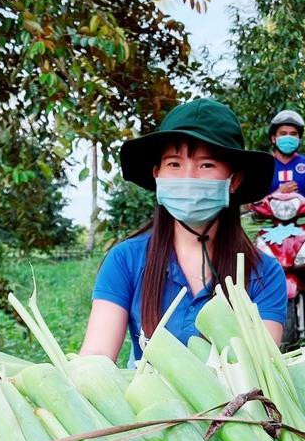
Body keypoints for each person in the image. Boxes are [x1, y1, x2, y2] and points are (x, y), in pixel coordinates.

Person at [81, 98, 287, 363]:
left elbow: (262, 368)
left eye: (206, 165)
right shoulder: (125, 260)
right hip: (143, 405)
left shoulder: (263, 274)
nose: (188, 178)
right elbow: (96, 356)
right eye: (174, 164)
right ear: (157, 175)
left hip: (232, 403)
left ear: (234, 180)